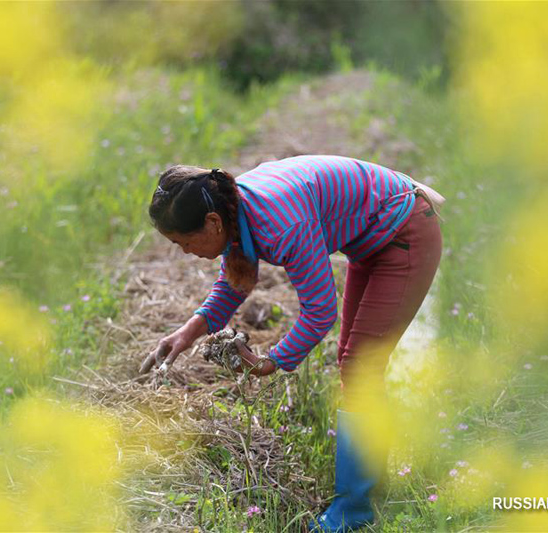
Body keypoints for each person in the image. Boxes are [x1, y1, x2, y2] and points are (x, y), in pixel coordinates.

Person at [141, 155, 443, 532]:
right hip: (371, 241)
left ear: (212, 222)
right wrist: (187, 333)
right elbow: (236, 280)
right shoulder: (234, 209)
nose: (184, 251)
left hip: (404, 234)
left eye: (184, 242)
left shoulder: (281, 224)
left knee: (359, 366)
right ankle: (369, 487)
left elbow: (320, 311)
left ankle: (354, 511)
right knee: (354, 363)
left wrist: (271, 361)